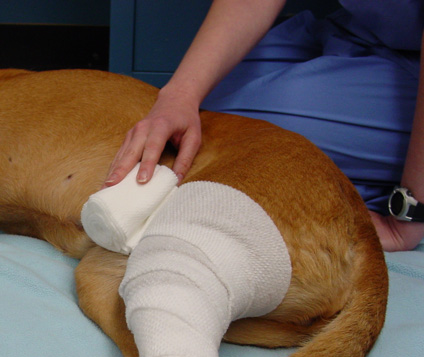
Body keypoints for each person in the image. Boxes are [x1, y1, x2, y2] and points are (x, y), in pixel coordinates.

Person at [105, 0, 424, 251]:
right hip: (357, 31)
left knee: (240, 143)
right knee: (201, 113)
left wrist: (409, 215)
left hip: (411, 59)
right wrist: (180, 95)